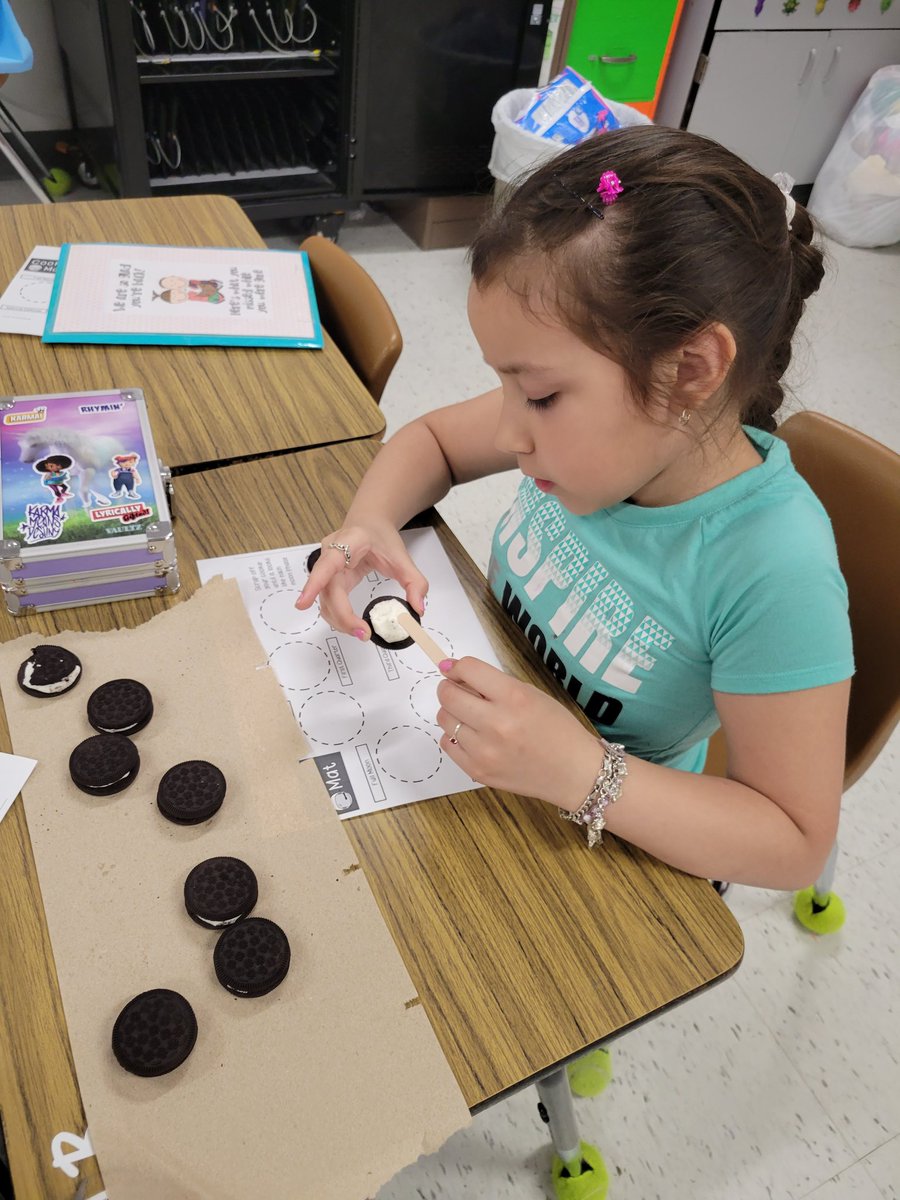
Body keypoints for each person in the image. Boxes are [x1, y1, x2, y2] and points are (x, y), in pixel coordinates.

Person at [296, 126, 854, 892]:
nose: (504, 431)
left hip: (616, 849)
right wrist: (370, 523)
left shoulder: (773, 565)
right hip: (495, 781)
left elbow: (793, 843)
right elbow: (432, 441)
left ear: (689, 369)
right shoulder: (593, 443)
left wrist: (588, 773)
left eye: (540, 396)